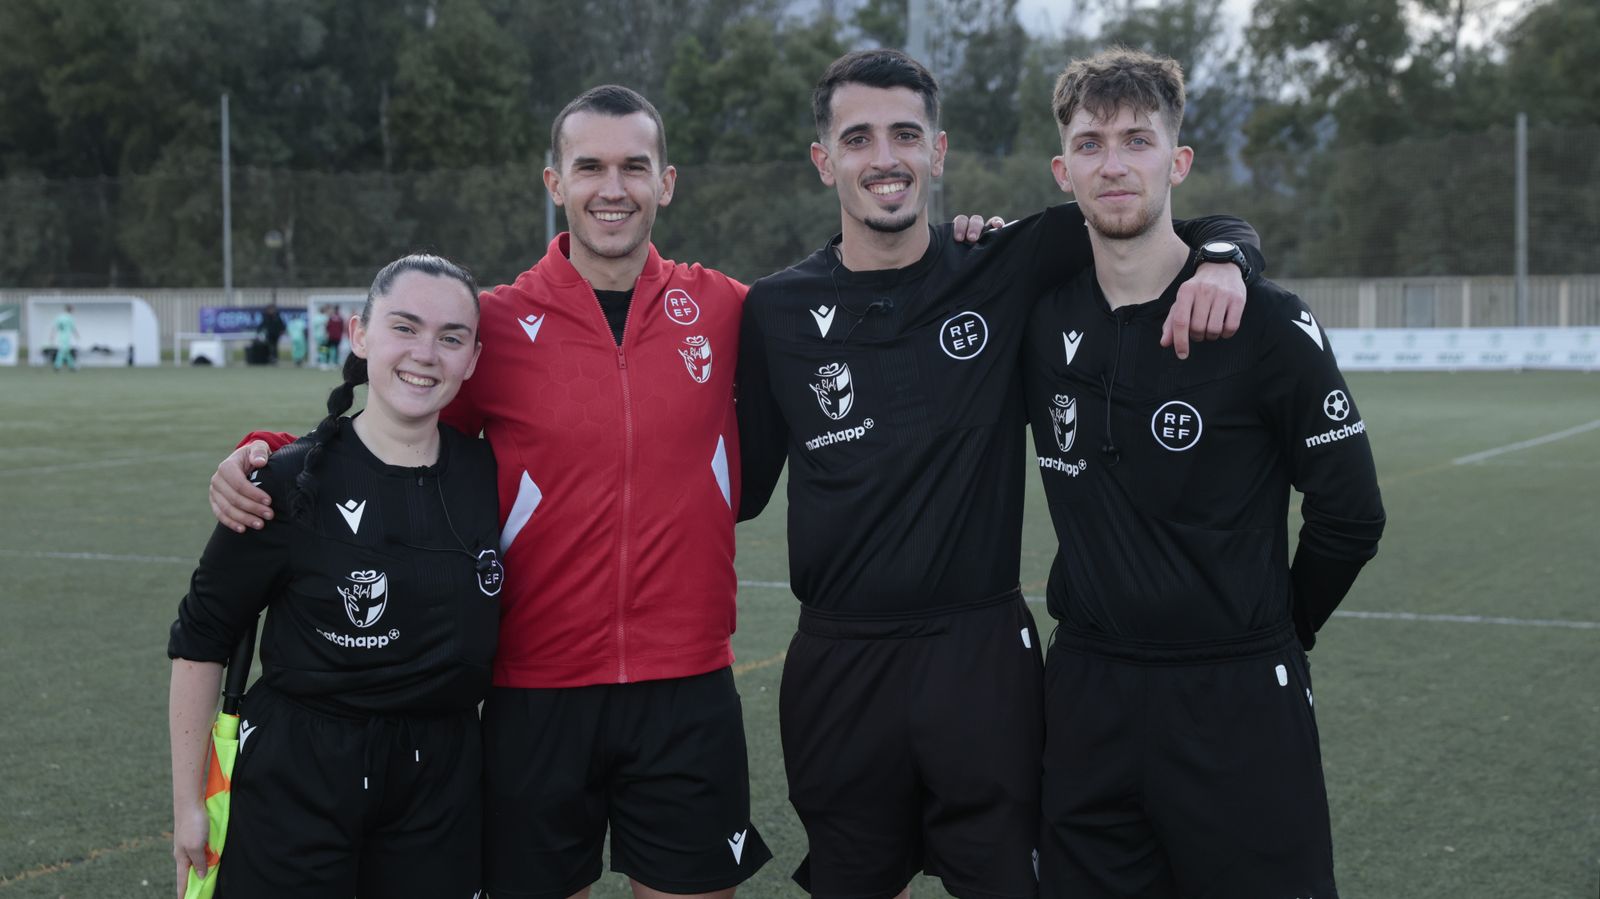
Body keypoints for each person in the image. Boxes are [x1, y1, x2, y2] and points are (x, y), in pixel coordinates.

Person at [207, 86, 772, 899]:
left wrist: (970, 242)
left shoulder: (723, 307)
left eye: (633, 167)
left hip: (686, 686)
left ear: (667, 181)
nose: (612, 187)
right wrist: (264, 451)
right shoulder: (498, 325)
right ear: (554, 182)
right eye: (590, 167)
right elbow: (388, 429)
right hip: (533, 692)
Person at [733, 49, 1263, 899]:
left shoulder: (1001, 263)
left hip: (979, 653)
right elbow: (741, 485)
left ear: (937, 153)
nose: (886, 158)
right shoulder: (775, 310)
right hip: (839, 657)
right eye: (859, 138)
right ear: (824, 160)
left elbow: (1144, 209)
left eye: (907, 134)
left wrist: (1231, 257)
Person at [1020, 49, 1385, 898]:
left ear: (1177, 161)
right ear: (1063, 168)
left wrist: (1275, 626)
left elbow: (1351, 514)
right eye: (1091, 143)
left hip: (1239, 699)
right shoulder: (1037, 314)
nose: (1114, 164)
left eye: (1137, 140)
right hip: (1087, 697)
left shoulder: (1265, 323)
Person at [168, 254, 501, 898]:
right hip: (299, 773)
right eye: (405, 328)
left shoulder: (493, 477)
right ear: (359, 334)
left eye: (450, 337)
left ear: (473, 359)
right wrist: (189, 803)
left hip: (443, 781)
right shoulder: (287, 481)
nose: (426, 353)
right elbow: (202, 636)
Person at [52, 303, 78, 371]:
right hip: (66, 337)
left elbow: (56, 327)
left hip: (61, 336)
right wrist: (77, 335)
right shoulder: (69, 317)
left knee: (66, 352)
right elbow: (73, 328)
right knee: (62, 351)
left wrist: (52, 335)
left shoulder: (60, 317)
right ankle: (57, 365)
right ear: (70, 310)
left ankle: (72, 366)